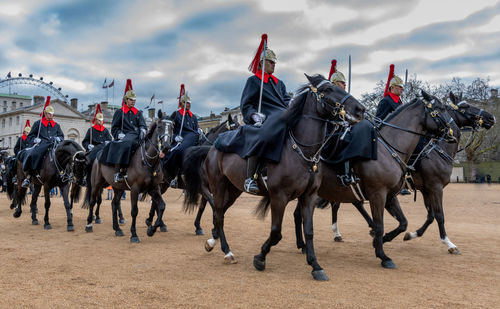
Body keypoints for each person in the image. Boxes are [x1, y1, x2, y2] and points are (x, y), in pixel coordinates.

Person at [215, 36, 291, 194]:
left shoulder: (279, 83)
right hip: (264, 118)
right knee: (262, 136)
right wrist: (254, 116)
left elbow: (286, 100)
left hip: (282, 116)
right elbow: (246, 104)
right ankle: (250, 178)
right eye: (271, 62)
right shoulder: (254, 81)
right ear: (262, 63)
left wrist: (292, 104)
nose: (274, 65)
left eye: (275, 62)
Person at [376, 65, 410, 195]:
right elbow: (378, 120)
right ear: (392, 87)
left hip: (401, 135)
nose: (402, 89)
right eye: (399, 87)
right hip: (389, 137)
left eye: (402, 87)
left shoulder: (400, 102)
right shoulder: (386, 101)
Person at [100, 89, 147, 183]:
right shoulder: (119, 112)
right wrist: (118, 134)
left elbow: (142, 124)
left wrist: (143, 129)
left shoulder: (138, 113)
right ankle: (120, 171)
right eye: (130, 99)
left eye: (134, 100)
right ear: (126, 100)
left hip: (136, 136)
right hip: (125, 136)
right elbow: (114, 128)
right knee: (125, 145)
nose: (132, 102)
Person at [164, 85, 202, 188]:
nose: (188, 104)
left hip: (192, 137)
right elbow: (171, 129)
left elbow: (195, 129)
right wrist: (175, 136)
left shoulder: (193, 117)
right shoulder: (176, 114)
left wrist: (199, 130)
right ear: (181, 104)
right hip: (180, 139)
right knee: (175, 151)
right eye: (186, 103)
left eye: (189, 103)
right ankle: (175, 176)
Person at [21, 103, 64, 188]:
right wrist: (35, 140)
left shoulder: (56, 125)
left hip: (54, 145)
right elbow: (30, 136)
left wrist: (59, 138)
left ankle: (64, 175)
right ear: (45, 113)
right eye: (49, 113)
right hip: (41, 145)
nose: (50, 115)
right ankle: (29, 177)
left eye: (52, 114)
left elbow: (61, 136)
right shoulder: (38, 123)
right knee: (33, 155)